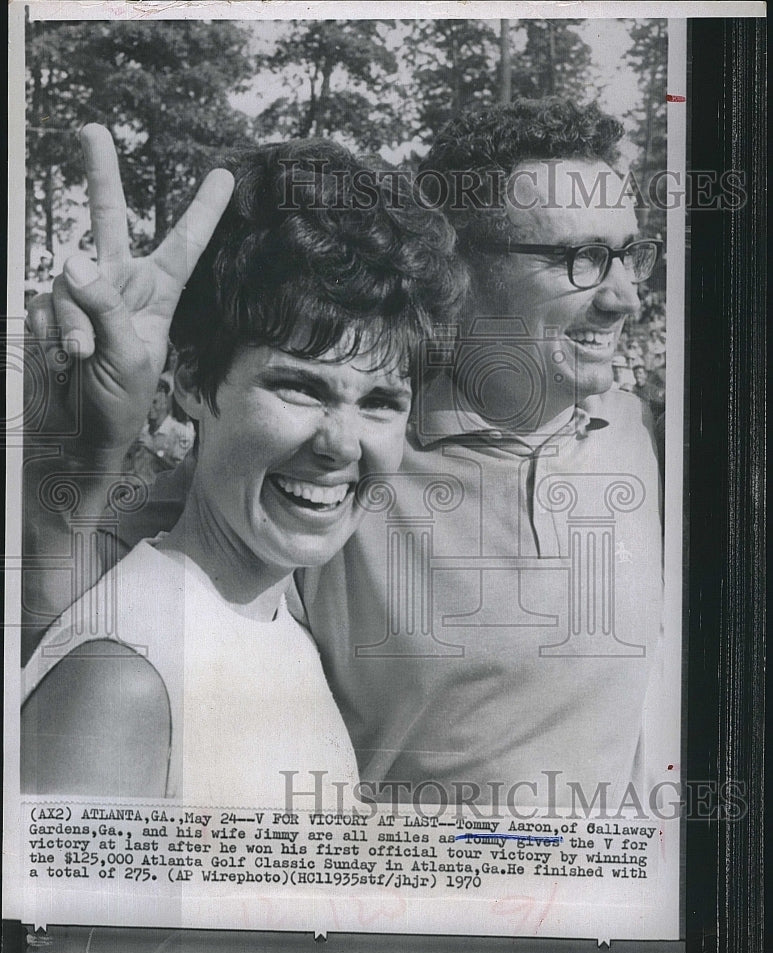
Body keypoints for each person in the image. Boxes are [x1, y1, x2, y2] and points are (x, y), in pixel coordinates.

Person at [23, 99, 665, 811]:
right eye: (578, 258)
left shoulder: (633, 429)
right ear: (466, 268)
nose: (624, 297)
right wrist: (78, 457)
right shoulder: (339, 461)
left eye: (629, 254)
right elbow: (85, 626)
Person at [20, 126, 465, 803]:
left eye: (380, 401)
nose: (342, 444)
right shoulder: (122, 678)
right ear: (193, 385)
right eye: (300, 386)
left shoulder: (278, 623)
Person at [122, 373, 195, 485]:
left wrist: (155, 450)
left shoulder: (180, 433)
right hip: (133, 493)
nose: (150, 408)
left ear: (165, 402)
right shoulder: (141, 432)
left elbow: (184, 474)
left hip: (161, 497)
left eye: (154, 402)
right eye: (147, 403)